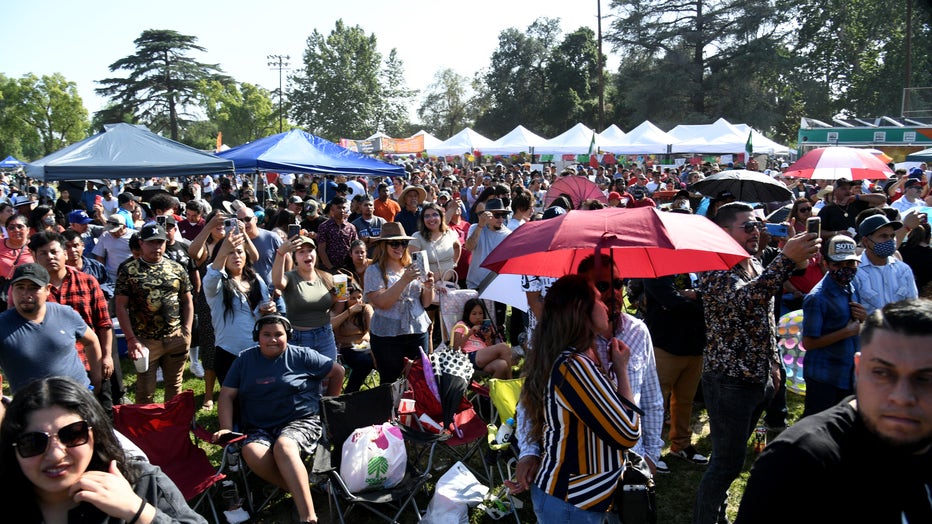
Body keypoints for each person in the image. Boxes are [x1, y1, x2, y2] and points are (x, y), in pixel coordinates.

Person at [735, 299, 932, 524]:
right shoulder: (798, 463)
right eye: (882, 373)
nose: (902, 397)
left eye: (925, 379)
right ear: (858, 368)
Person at [694, 202, 820, 524]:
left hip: (757, 376)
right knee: (725, 463)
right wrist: (785, 259)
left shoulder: (751, 261)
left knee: (731, 460)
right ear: (724, 231)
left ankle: (715, 514)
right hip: (729, 380)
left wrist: (774, 368)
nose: (757, 232)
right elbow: (744, 300)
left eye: (759, 225)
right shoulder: (714, 265)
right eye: (748, 226)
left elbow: (764, 309)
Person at [507, 274, 640, 522]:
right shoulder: (573, 366)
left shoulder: (572, 357)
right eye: (599, 300)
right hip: (571, 502)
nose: (606, 304)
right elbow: (628, 432)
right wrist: (622, 371)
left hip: (575, 498)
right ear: (582, 311)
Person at [0, 376, 207, 524]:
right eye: (33, 442)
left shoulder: (142, 483)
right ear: (13, 447)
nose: (56, 454)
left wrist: (139, 512)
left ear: (95, 433)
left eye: (72, 434)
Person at [213, 315, 344, 524]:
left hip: (301, 420)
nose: (272, 339)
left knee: (284, 446)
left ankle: (308, 517)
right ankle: (300, 488)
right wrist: (226, 427)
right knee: (251, 451)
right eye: (267, 334)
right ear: (258, 337)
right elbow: (227, 395)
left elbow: (338, 372)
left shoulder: (303, 356)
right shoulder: (244, 360)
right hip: (258, 426)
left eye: (278, 334)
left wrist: (329, 407)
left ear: (288, 336)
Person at [28, 231, 120, 415]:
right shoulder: (31, 290)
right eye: (43, 253)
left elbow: (103, 323)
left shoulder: (88, 282)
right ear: (34, 256)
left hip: (91, 362)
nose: (50, 257)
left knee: (102, 417)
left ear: (64, 252)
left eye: (54, 252)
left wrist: (107, 356)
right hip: (53, 369)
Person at [115, 223, 194, 405]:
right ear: (141, 243)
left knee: (174, 386)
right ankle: (145, 429)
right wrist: (131, 339)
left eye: (160, 242)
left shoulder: (176, 268)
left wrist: (187, 330)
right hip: (145, 341)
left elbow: (187, 300)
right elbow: (121, 306)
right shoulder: (128, 270)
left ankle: (172, 426)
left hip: (175, 338)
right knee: (145, 390)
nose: (156, 247)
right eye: (151, 243)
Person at [641, 271, 708, 468]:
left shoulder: (702, 266)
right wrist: (705, 304)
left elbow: (717, 294)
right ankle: (650, 449)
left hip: (695, 346)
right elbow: (670, 300)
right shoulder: (656, 268)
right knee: (655, 401)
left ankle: (681, 444)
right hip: (665, 345)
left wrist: (697, 296)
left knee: (685, 400)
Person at [0, 263, 101, 394]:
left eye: (33, 288)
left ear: (48, 289)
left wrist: (96, 378)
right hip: (31, 407)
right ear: (12, 289)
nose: (26, 294)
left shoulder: (66, 314)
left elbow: (91, 341)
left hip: (77, 399)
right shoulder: (3, 324)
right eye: (20, 287)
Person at [203, 228, 281, 387]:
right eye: (230, 253)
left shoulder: (256, 279)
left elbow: (263, 306)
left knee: (258, 399)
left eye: (239, 251)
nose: (236, 256)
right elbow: (212, 275)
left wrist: (268, 309)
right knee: (235, 403)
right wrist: (223, 248)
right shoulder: (216, 283)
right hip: (229, 352)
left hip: (259, 350)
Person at [800, 235, 868, 417]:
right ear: (827, 264)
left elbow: (858, 325)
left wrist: (864, 318)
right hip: (824, 376)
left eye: (850, 264)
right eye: (839, 264)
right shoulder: (817, 297)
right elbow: (808, 343)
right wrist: (846, 332)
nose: (845, 269)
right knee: (817, 427)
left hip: (847, 373)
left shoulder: (851, 287)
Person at [364, 222, 434, 385]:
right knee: (389, 380)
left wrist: (429, 287)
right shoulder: (373, 270)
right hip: (388, 334)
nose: (400, 247)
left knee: (420, 380)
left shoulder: (413, 266)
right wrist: (404, 280)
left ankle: (417, 410)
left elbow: (426, 302)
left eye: (404, 243)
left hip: (417, 329)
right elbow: (383, 303)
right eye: (394, 243)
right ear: (383, 245)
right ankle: (391, 411)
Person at [272, 235, 342, 363]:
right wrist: (281, 253)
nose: (307, 254)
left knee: (328, 377)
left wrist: (341, 297)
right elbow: (277, 282)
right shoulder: (290, 277)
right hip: (299, 338)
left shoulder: (326, 277)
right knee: (303, 380)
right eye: (301, 251)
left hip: (325, 335)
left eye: (310, 250)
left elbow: (334, 305)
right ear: (295, 259)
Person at [410, 201, 461, 348]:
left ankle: (450, 357)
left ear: (441, 217)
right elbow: (414, 266)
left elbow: (457, 247)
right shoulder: (417, 237)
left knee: (449, 325)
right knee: (429, 327)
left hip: (448, 288)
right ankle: (430, 361)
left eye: (434, 215)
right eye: (427, 216)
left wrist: (454, 264)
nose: (431, 219)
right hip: (428, 290)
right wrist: (432, 284)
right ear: (422, 219)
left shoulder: (450, 233)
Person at [853, 214, 919, 314]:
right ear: (866, 241)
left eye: (892, 236)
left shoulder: (903, 270)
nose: (890, 240)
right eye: (883, 236)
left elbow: (913, 307)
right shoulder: (855, 271)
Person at [450, 298, 514, 379]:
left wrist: (487, 338)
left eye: (480, 313)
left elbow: (489, 348)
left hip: (482, 360)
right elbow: (456, 347)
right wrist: (469, 334)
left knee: (502, 365)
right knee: (504, 347)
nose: (478, 317)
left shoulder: (484, 328)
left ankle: (487, 391)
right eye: (474, 314)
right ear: (467, 314)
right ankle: (511, 380)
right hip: (467, 358)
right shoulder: (461, 325)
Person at [331, 280, 375, 393]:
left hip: (366, 346)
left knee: (383, 359)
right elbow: (333, 329)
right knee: (365, 362)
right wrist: (349, 312)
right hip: (347, 349)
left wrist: (368, 341)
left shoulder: (366, 309)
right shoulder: (339, 312)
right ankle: (350, 393)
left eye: (359, 297)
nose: (357, 301)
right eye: (353, 298)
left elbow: (372, 330)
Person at [315, 196, 358, 273]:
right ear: (332, 209)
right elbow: (321, 250)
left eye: (344, 208)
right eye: (339, 208)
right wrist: (331, 269)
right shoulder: (324, 227)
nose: (342, 210)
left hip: (347, 268)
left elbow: (355, 247)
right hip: (328, 270)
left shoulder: (351, 228)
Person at [92, 214, 133, 286]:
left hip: (131, 275)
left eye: (116, 230)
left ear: (124, 227)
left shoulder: (134, 236)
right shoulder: (105, 236)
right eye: (111, 231)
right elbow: (99, 256)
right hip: (112, 276)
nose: (113, 233)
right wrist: (103, 272)